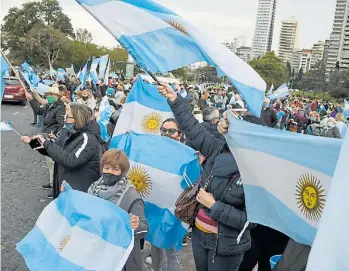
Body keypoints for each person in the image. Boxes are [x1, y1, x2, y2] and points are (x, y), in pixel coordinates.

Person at [158, 83, 251, 271]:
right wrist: (175, 100)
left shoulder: (254, 169)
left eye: (226, 121)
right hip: (200, 236)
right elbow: (192, 128)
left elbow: (251, 220)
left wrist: (214, 206)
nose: (221, 124)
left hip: (226, 245)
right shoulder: (217, 148)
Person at [60, 149, 149, 271]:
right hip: (96, 252)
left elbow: (144, 229)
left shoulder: (132, 196)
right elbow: (84, 213)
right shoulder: (94, 188)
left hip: (120, 258)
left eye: (115, 169)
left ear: (122, 172)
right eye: (107, 168)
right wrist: (70, 196)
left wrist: (136, 225)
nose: (110, 172)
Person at [22, 103, 101, 198]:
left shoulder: (88, 138)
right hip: (64, 187)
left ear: (77, 118)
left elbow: (71, 161)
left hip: (78, 192)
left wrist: (46, 144)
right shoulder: (68, 133)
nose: (64, 119)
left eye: (67, 117)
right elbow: (55, 151)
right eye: (64, 116)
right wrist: (35, 142)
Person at [147, 118, 183, 271]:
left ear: (179, 134)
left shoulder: (185, 155)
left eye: (171, 131)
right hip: (154, 207)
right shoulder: (153, 151)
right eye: (163, 130)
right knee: (155, 246)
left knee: (171, 251)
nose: (167, 134)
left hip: (173, 210)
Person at [26, 86, 66, 197]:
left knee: (53, 163)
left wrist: (54, 135)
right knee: (49, 163)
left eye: (51, 95)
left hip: (51, 138)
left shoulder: (60, 108)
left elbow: (61, 125)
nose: (49, 97)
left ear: (57, 97)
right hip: (45, 136)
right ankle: (51, 182)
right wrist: (31, 100)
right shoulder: (49, 105)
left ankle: (55, 187)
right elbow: (39, 111)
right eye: (48, 95)